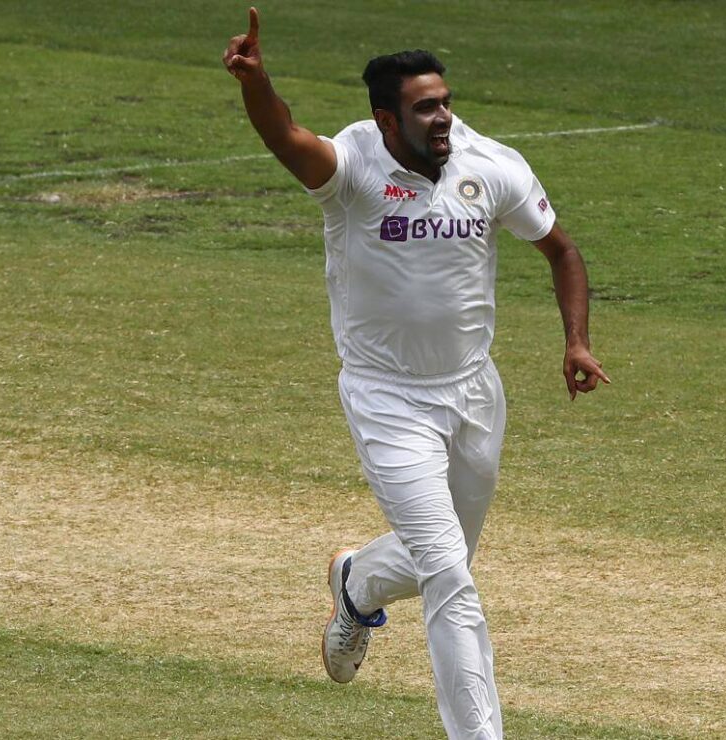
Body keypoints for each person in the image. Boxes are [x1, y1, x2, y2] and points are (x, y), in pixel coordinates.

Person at [223, 8, 609, 739]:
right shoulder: (353, 167)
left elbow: (560, 250)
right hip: (388, 399)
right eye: (424, 107)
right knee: (449, 576)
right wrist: (257, 82)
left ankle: (356, 582)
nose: (443, 118)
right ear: (384, 117)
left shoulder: (488, 164)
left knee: (446, 555)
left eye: (445, 102)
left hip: (472, 392)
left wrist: (577, 342)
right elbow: (285, 136)